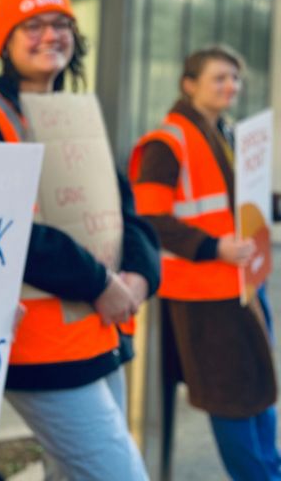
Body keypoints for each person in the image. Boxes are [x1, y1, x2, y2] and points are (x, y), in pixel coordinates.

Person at [0, 0, 159, 481]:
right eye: (31, 26)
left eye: (60, 25)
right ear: (5, 44)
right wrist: (100, 282)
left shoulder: (76, 116)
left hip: (99, 334)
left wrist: (141, 277)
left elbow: (126, 210)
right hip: (36, 346)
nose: (49, 35)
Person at [130, 45, 281, 480]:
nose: (231, 86)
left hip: (243, 283)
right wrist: (213, 247)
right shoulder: (166, 142)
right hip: (204, 292)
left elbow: (240, 203)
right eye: (219, 77)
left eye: (235, 78)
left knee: (257, 390)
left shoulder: (228, 134)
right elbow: (150, 219)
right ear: (189, 84)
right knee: (231, 399)